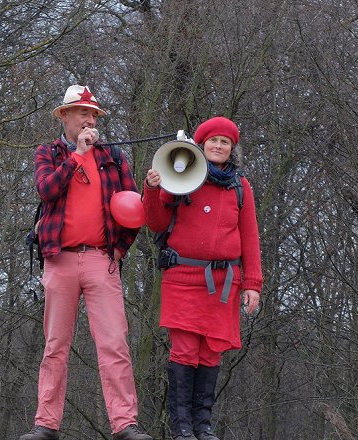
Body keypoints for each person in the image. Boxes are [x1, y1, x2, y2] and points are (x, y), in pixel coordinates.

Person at [20, 85, 153, 440]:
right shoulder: (47, 153)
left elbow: (134, 211)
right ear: (64, 116)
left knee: (114, 344)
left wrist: (119, 250)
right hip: (59, 260)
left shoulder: (114, 157)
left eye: (93, 115)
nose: (90, 120)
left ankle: (125, 425)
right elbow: (46, 190)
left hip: (101, 260)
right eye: (83, 113)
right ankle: (46, 425)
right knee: (55, 346)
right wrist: (77, 156)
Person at [142, 116, 263, 440]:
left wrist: (252, 285)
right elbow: (155, 222)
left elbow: (250, 238)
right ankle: (180, 427)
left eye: (225, 142)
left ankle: (202, 426)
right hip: (183, 277)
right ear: (202, 144)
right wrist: (152, 189)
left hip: (224, 284)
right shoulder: (180, 174)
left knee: (211, 353)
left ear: (232, 149)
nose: (219, 146)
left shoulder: (241, 186)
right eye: (214, 141)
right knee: (183, 350)